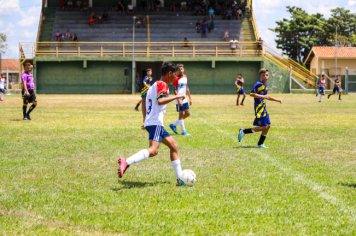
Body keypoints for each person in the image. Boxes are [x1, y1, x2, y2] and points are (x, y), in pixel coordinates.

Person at [118, 62, 187, 186]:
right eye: (174, 74)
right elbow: (160, 101)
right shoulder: (163, 84)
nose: (175, 78)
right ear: (169, 73)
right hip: (155, 123)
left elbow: (144, 100)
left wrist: (145, 120)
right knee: (153, 150)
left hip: (154, 123)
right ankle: (126, 161)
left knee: (174, 146)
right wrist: (177, 97)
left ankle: (180, 178)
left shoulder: (154, 85)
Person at [238, 68, 282, 148]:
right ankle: (244, 131)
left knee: (268, 126)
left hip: (263, 107)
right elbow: (252, 94)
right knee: (264, 127)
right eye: (263, 75)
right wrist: (263, 96)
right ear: (260, 76)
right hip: (259, 108)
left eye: (267, 75)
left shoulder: (266, 85)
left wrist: (277, 100)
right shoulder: (258, 84)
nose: (265, 76)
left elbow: (267, 97)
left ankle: (260, 144)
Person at [170, 64, 193, 136]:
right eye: (179, 69)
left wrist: (190, 98)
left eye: (181, 69)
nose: (180, 70)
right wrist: (178, 100)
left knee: (188, 113)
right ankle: (183, 131)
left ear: (184, 69)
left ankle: (173, 125)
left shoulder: (185, 77)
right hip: (179, 99)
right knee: (181, 115)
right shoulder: (176, 78)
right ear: (177, 71)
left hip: (184, 98)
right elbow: (174, 90)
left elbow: (187, 88)